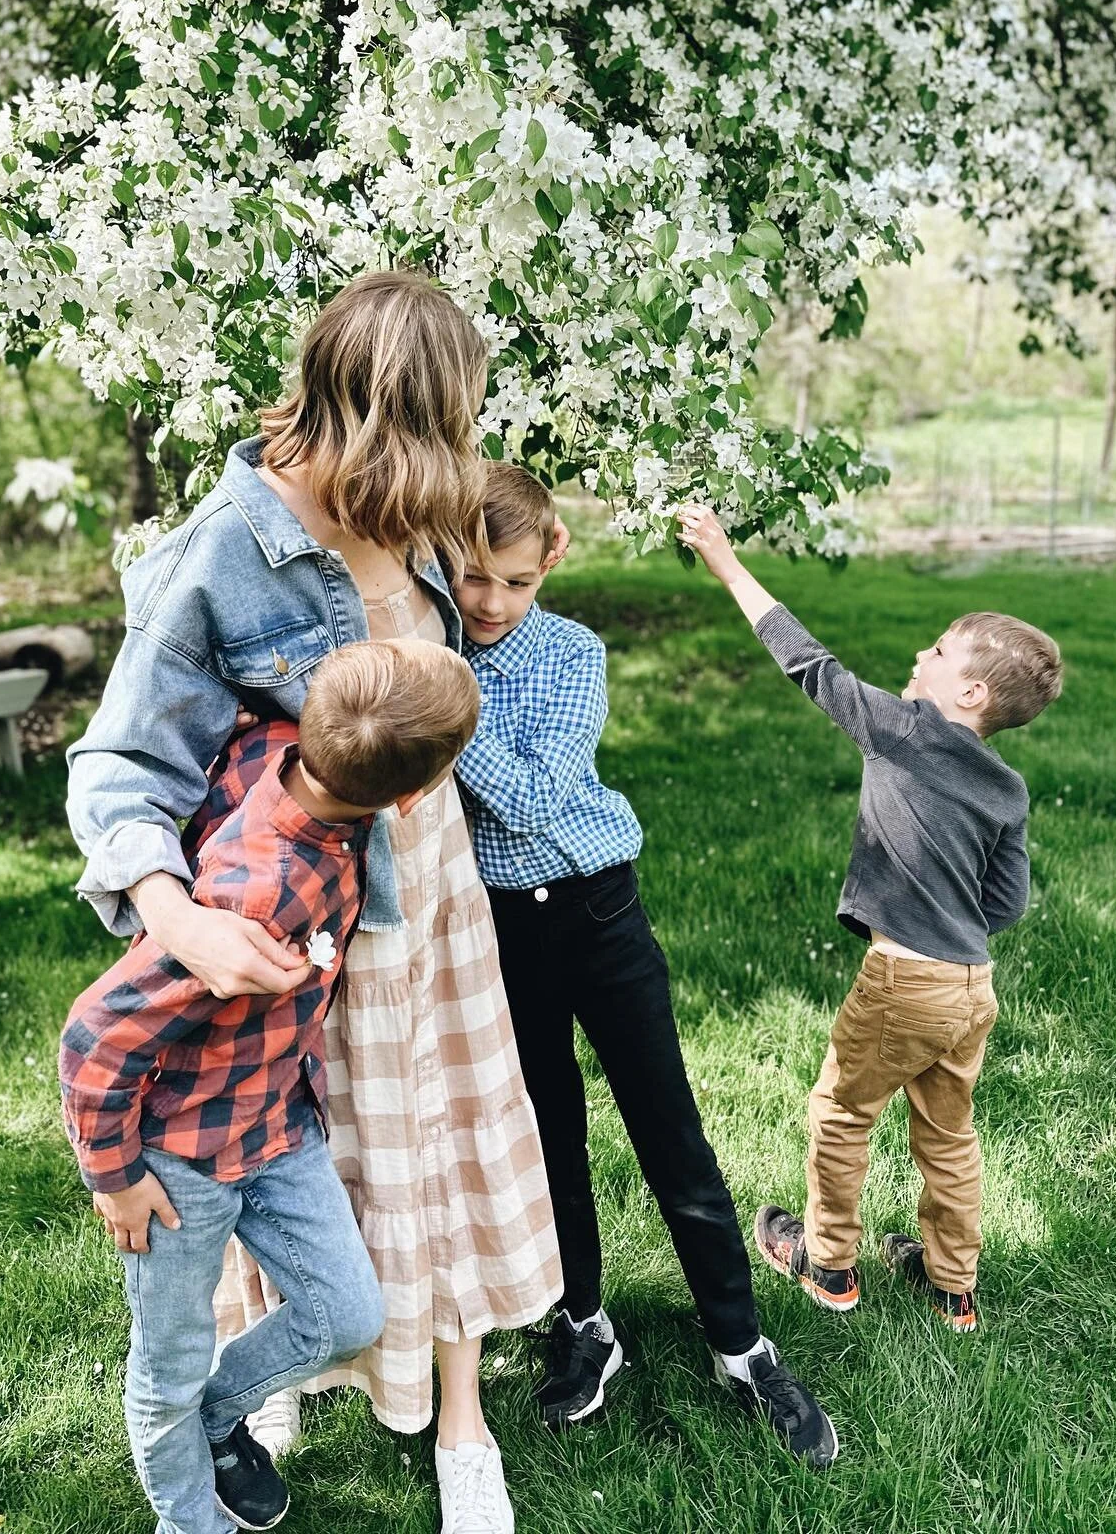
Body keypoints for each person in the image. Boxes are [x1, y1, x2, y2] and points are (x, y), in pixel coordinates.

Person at [66, 272, 563, 1534]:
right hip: (304, 917)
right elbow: (121, 766)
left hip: (431, 890)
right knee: (285, 1144)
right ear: (381, 414)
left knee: (439, 1140)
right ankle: (258, 1382)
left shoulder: (417, 513)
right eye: (444, 429)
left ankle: (462, 1413)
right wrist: (175, 920)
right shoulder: (225, 552)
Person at [450, 463, 839, 1468]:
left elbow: (534, 803)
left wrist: (445, 713)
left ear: (552, 562)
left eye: (513, 581)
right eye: (471, 577)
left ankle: (741, 1343)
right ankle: (584, 1324)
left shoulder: (572, 653)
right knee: (547, 1139)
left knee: (672, 1135)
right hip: (501, 931)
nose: (490, 601)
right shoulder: (433, 645)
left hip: (599, 913)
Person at [61, 639, 480, 1534]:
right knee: (166, 1368)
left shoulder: (291, 747)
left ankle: (221, 1416)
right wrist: (114, 1176)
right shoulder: (253, 896)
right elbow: (95, 1032)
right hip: (178, 1171)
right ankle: (192, 1518)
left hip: (278, 1127)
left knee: (347, 1314)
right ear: (411, 799)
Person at [676, 502, 1063, 1335]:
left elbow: (810, 666)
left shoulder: (905, 730)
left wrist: (726, 563)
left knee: (843, 1112)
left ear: (969, 690)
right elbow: (1005, 904)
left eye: (938, 649)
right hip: (972, 986)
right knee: (948, 1135)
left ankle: (830, 1262)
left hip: (904, 979)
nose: (920, 653)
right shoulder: (1007, 787)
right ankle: (953, 1286)